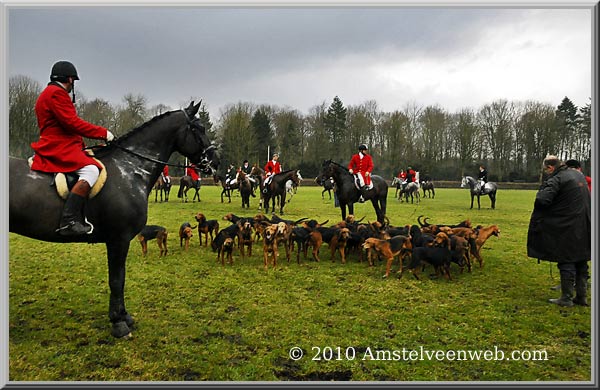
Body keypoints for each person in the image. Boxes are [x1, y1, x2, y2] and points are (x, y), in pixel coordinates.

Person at [30, 61, 114, 236]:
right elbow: (72, 123)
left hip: (61, 143)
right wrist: (103, 133)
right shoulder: (57, 94)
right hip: (58, 146)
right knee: (91, 170)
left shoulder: (47, 93)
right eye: (72, 81)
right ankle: (69, 220)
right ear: (70, 79)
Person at [527, 155, 591, 307]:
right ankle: (581, 297)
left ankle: (566, 298)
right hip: (585, 224)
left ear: (550, 167)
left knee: (566, 260)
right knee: (581, 260)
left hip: (567, 226)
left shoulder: (558, 178)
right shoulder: (577, 174)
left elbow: (542, 200)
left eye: (546, 170)